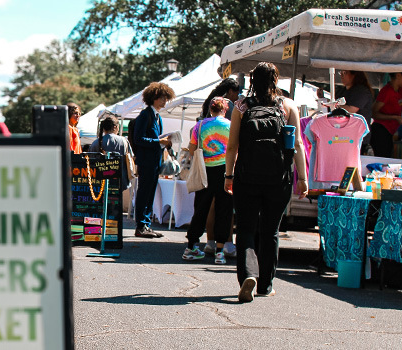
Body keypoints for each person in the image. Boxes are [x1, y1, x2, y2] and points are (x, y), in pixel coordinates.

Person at [224, 62, 308, 303]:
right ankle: (265, 285)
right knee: (271, 231)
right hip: (278, 178)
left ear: (252, 80)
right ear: (275, 80)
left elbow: (232, 146)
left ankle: (249, 275)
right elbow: (298, 144)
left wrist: (228, 176)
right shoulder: (287, 106)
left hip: (246, 177)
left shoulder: (241, 106)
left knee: (247, 230)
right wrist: (302, 179)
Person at [182, 97, 234, 264]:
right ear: (225, 110)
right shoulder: (230, 126)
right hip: (225, 171)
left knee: (201, 208)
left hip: (205, 171)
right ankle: (220, 251)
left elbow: (191, 148)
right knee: (224, 210)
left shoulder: (200, 125)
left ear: (210, 109)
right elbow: (234, 148)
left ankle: (191, 246)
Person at [132, 82, 175, 238]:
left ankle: (146, 225)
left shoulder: (157, 117)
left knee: (150, 194)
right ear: (153, 98)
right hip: (146, 162)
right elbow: (138, 139)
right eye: (162, 98)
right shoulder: (145, 115)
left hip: (154, 162)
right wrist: (159, 142)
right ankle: (140, 226)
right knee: (144, 193)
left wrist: (165, 142)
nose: (164, 101)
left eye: (165, 98)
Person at [90, 114, 132, 186]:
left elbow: (90, 162)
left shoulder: (95, 143)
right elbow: (130, 158)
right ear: (115, 127)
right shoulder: (123, 141)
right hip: (121, 183)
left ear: (103, 128)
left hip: (100, 184)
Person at [339, 70, 374, 154]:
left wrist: (335, 106)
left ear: (354, 75)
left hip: (358, 138)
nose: (341, 76)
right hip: (344, 137)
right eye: (341, 73)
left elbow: (352, 109)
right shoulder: (343, 90)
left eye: (345, 73)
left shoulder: (361, 91)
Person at [370, 72, 402, 158]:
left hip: (390, 132)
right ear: (398, 75)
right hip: (381, 131)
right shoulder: (387, 91)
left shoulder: (399, 90)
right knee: (383, 160)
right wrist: (395, 118)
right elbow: (374, 113)